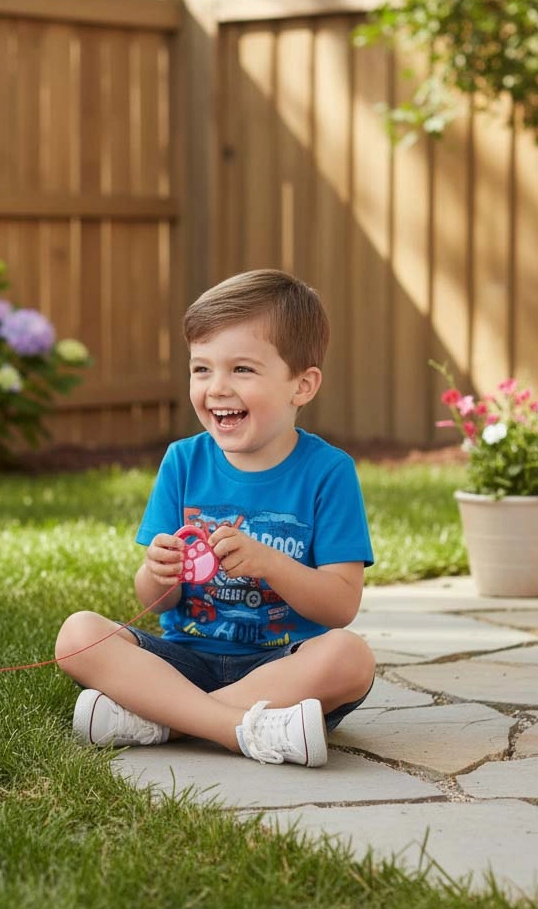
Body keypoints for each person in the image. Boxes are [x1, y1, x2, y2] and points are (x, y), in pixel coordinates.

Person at [55, 269, 376, 767]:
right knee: (78, 635)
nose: (217, 387)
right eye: (201, 369)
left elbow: (340, 606)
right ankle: (239, 729)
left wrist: (269, 563)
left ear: (302, 385)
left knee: (351, 658)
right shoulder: (183, 461)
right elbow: (156, 600)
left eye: (242, 369)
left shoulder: (328, 472)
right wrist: (158, 573)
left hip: (281, 666)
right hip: (184, 659)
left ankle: (162, 720)